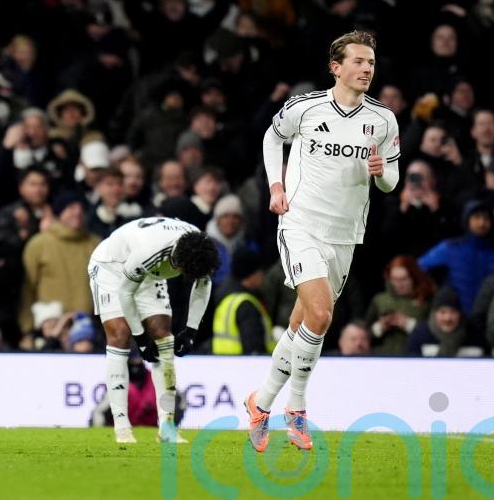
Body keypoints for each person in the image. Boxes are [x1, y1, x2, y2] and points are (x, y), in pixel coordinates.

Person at [249, 30, 401, 452]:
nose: (366, 69)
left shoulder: (383, 120)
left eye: (371, 62)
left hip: (345, 234)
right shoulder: (306, 108)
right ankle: (296, 410)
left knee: (302, 324)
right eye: (358, 61)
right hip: (300, 223)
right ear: (336, 67)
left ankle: (259, 402)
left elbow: (391, 180)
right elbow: (271, 137)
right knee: (319, 315)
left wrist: (380, 171)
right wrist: (276, 187)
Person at [87, 216, 220, 443]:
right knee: (120, 334)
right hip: (113, 266)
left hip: (148, 274)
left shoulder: (202, 249)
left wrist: (190, 331)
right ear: (178, 261)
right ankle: (121, 426)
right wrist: (140, 338)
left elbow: (202, 285)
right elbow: (126, 293)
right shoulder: (150, 250)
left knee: (163, 338)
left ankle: (167, 427)